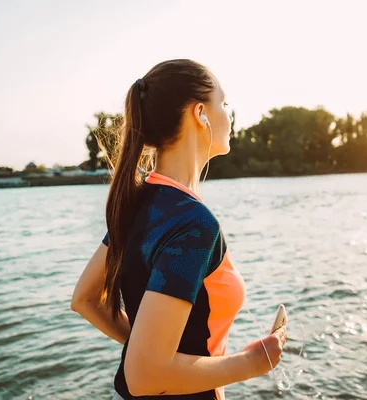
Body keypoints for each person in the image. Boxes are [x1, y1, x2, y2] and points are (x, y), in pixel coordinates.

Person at [71, 59, 287, 399]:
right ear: (201, 113)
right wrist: (253, 361)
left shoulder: (138, 203)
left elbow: (85, 300)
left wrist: (146, 346)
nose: (229, 114)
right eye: (224, 103)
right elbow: (143, 377)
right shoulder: (193, 224)